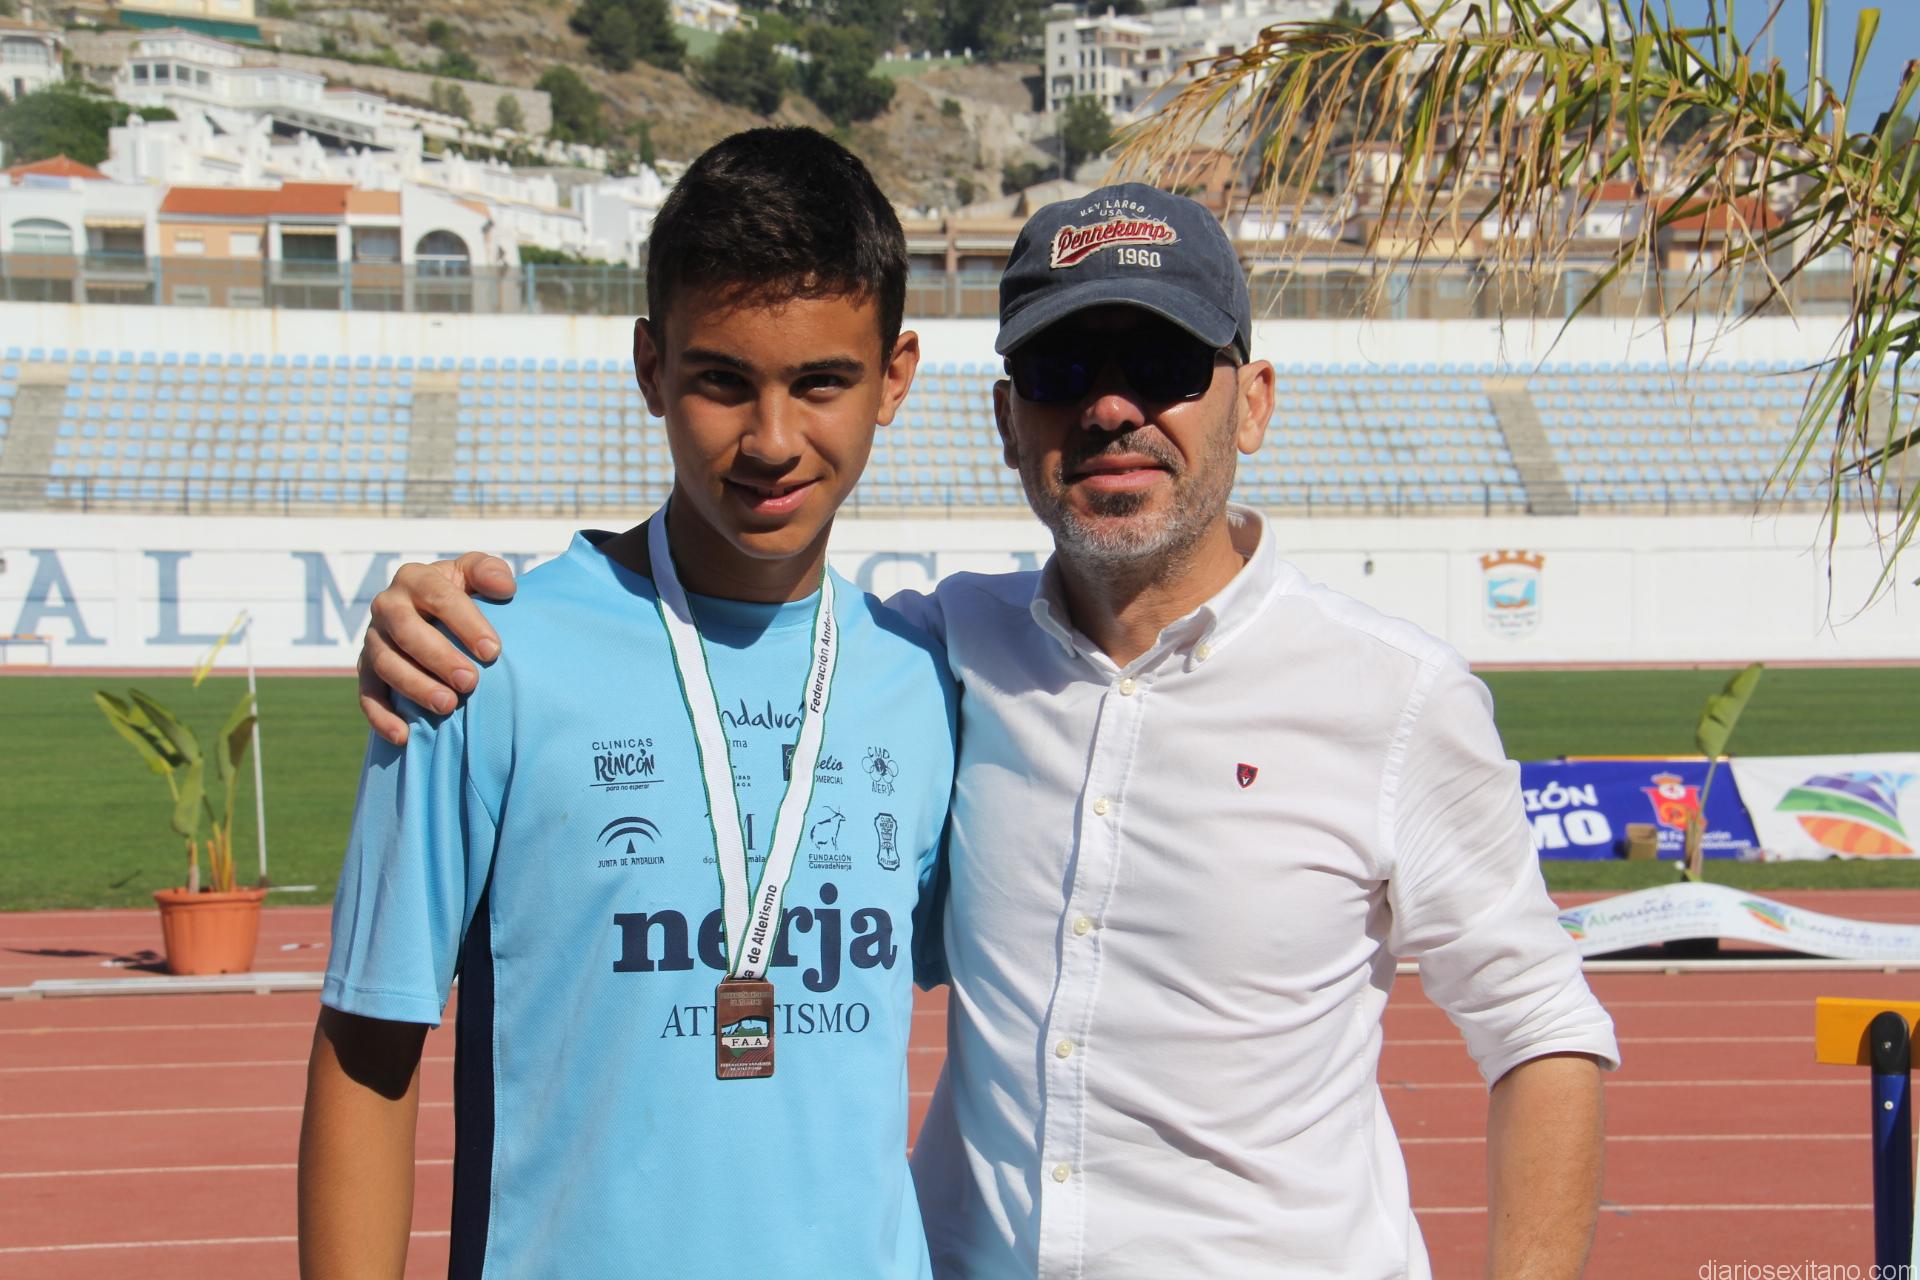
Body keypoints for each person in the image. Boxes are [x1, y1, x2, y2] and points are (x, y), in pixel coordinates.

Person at [354, 182, 1619, 1279]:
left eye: (1165, 365)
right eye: (1065, 371)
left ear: (1254, 400)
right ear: (1008, 418)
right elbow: (726, 626)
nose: (1112, 409)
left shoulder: (1394, 695)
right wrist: (433, 611)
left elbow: (1544, 1028)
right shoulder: (937, 654)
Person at [297, 127, 958, 1279]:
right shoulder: (479, 659)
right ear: (651, 366)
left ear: (894, 377)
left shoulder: (928, 681)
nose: (772, 440)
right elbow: (368, 1045)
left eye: (821, 382)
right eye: (721, 381)